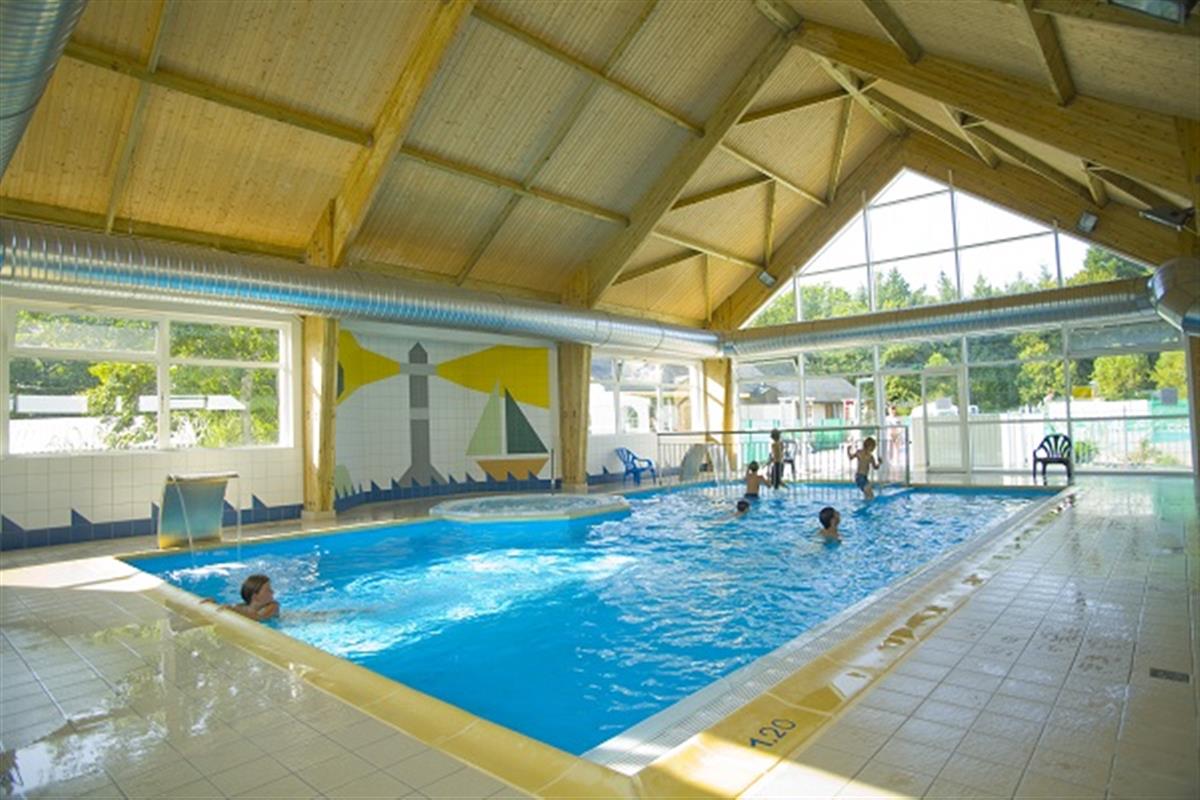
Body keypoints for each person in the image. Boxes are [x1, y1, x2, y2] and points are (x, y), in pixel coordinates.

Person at [204, 574, 279, 621]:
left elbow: (259, 617)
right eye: (268, 590)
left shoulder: (273, 606)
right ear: (255, 597)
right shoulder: (243, 606)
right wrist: (214, 604)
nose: (272, 592)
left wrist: (235, 610)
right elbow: (227, 608)